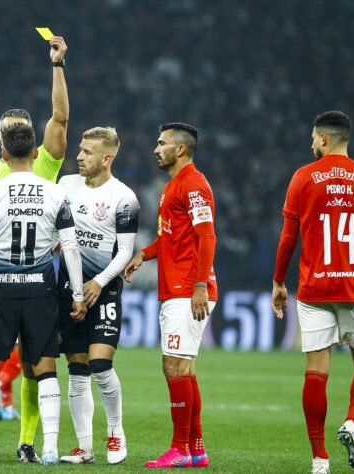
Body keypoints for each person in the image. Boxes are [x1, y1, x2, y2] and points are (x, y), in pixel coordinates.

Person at [0, 34, 69, 464]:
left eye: (22, 126)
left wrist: (57, 66)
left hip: (38, 274)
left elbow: (59, 117)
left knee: (31, 362)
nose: (17, 132)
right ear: (0, 135)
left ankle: (26, 441)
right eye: (11, 128)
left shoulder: (43, 163)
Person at [0, 123, 87, 465]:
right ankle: (52, 450)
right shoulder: (56, 193)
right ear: (36, 153)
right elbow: (70, 247)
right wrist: (77, 294)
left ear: (3, 155)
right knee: (44, 368)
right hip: (41, 291)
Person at [271, 111, 354, 474]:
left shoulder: (303, 177)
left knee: (316, 371)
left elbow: (289, 237)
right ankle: (351, 422)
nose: (310, 143)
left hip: (314, 288)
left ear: (324, 139)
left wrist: (278, 281)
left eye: (313, 137)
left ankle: (320, 460)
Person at [124, 123, 217, 468]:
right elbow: (170, 238)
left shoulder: (193, 184)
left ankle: (179, 448)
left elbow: (207, 237)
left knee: (173, 366)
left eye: (161, 143)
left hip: (187, 288)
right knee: (184, 369)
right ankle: (196, 449)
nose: (155, 148)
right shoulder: (173, 187)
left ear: (180, 149)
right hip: (177, 287)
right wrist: (143, 255)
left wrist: (199, 286)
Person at [57, 127, 139, 465]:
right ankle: (85, 447)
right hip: (68, 289)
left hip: (103, 291)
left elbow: (124, 252)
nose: (79, 156)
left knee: (101, 365)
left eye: (88, 152)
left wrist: (99, 283)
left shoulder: (124, 198)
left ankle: (116, 433)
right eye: (79, 149)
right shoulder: (66, 186)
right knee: (77, 368)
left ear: (107, 158)